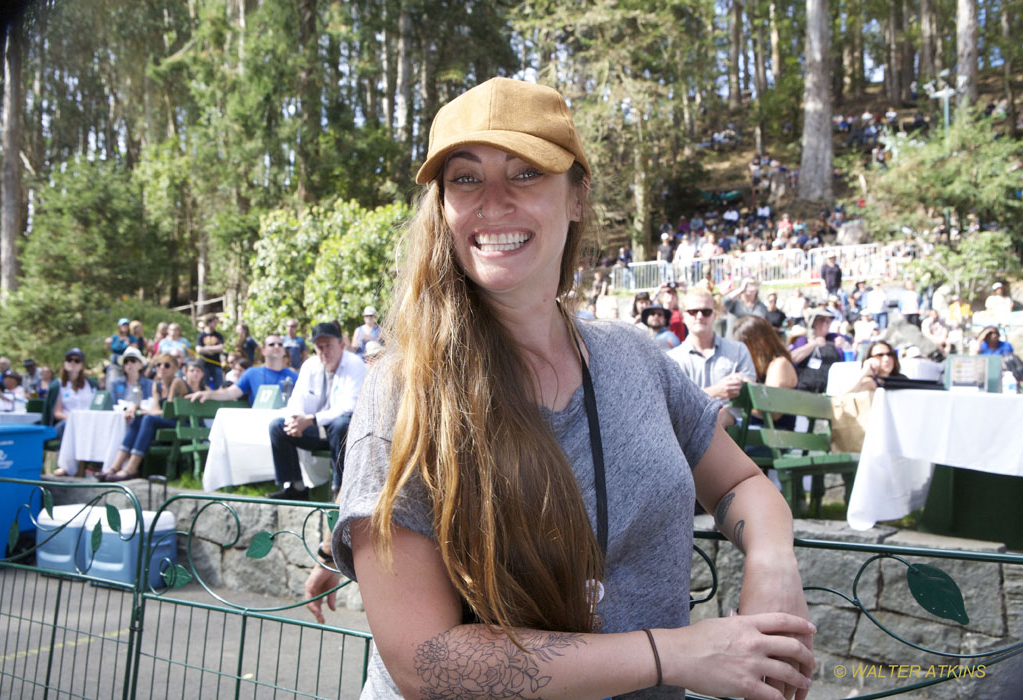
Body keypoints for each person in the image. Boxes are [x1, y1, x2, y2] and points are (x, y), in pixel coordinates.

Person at [315, 78, 812, 700]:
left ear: (577, 196)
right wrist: (675, 653)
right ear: (441, 206)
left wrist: (771, 559)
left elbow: (740, 482)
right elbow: (425, 662)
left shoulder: (635, 356)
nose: (492, 202)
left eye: (526, 173)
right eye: (465, 178)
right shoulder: (404, 390)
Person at [268, 322, 366, 500]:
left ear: (341, 345)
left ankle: (340, 490)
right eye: (319, 347)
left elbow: (349, 406)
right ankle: (295, 487)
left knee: (341, 424)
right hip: (316, 428)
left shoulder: (355, 364)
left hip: (346, 432)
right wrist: (295, 419)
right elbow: (297, 399)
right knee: (277, 426)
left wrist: (311, 420)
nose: (324, 351)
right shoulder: (310, 366)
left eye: (328, 345)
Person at [97, 352, 191, 482]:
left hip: (183, 426)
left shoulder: (177, 382)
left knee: (147, 418)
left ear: (175, 368)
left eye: (166, 365)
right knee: (139, 419)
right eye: (158, 365)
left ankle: (132, 467)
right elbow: (157, 410)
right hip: (167, 423)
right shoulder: (156, 385)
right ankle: (115, 466)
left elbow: (168, 413)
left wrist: (143, 412)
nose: (161, 368)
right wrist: (138, 409)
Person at [669, 288, 756, 415]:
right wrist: (716, 391)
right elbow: (675, 403)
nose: (699, 316)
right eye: (693, 312)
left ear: (715, 315)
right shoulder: (672, 358)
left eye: (706, 312)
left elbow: (752, 391)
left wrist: (742, 384)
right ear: (683, 316)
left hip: (734, 428)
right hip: (690, 427)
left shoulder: (738, 350)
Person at [188, 333, 298, 406]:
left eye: (280, 344)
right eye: (271, 344)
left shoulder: (294, 377)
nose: (277, 346)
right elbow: (231, 392)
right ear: (263, 351)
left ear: (284, 351)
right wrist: (209, 394)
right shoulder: (252, 373)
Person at [51, 348, 97, 474]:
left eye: (77, 360)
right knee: (66, 427)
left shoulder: (91, 385)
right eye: (69, 360)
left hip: (89, 421)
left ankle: (92, 464)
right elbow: (57, 412)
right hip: (67, 421)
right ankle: (66, 465)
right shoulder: (58, 385)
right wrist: (73, 419)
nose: (73, 363)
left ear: (82, 365)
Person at [789, 308, 851, 393]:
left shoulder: (834, 339)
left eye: (830, 322)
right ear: (815, 323)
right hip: (804, 389)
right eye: (826, 321)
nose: (829, 325)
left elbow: (847, 362)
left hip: (829, 390)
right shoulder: (803, 340)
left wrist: (845, 345)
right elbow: (792, 358)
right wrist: (813, 344)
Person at [195, 313, 225, 389]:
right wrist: (214, 349)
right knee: (204, 385)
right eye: (214, 322)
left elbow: (221, 348)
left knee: (219, 385)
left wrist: (206, 348)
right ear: (209, 322)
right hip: (204, 365)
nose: (216, 324)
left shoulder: (218, 335)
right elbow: (198, 349)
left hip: (216, 364)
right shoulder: (201, 335)